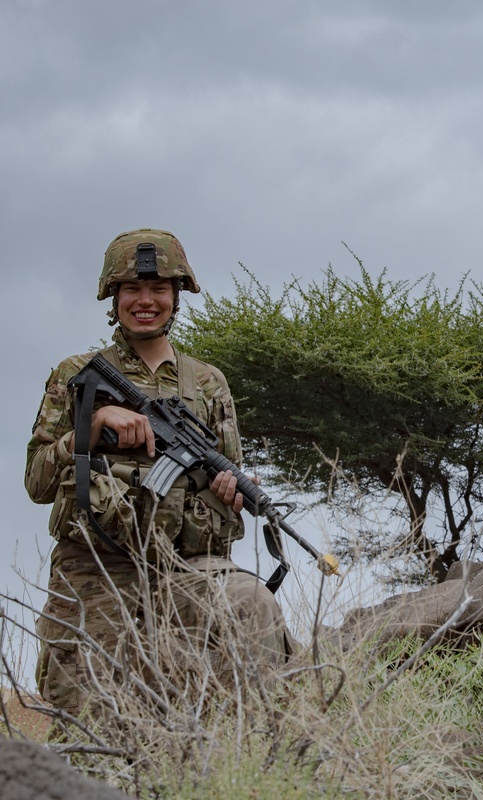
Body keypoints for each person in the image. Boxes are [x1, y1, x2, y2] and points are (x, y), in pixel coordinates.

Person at [27, 228, 291, 713]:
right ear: (114, 295)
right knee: (92, 708)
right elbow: (38, 482)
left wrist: (232, 492)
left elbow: (227, 471)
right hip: (97, 566)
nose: (146, 301)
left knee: (252, 602)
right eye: (133, 289)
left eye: (159, 289)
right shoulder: (76, 375)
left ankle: (254, 759)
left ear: (176, 296)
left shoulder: (209, 383)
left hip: (190, 565)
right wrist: (91, 428)